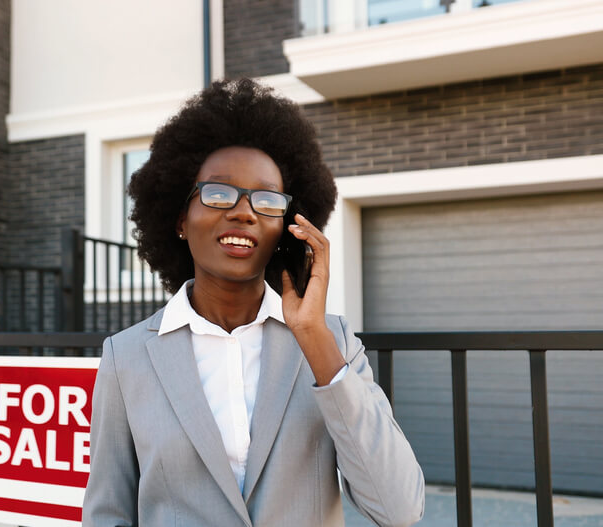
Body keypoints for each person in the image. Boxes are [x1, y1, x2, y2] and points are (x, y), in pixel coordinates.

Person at [82, 79, 424, 527]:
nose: (243, 212)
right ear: (181, 219)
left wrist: (314, 339)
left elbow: (399, 510)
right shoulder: (125, 358)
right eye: (219, 193)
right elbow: (108, 512)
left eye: (266, 200)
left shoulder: (332, 342)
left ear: (287, 225)